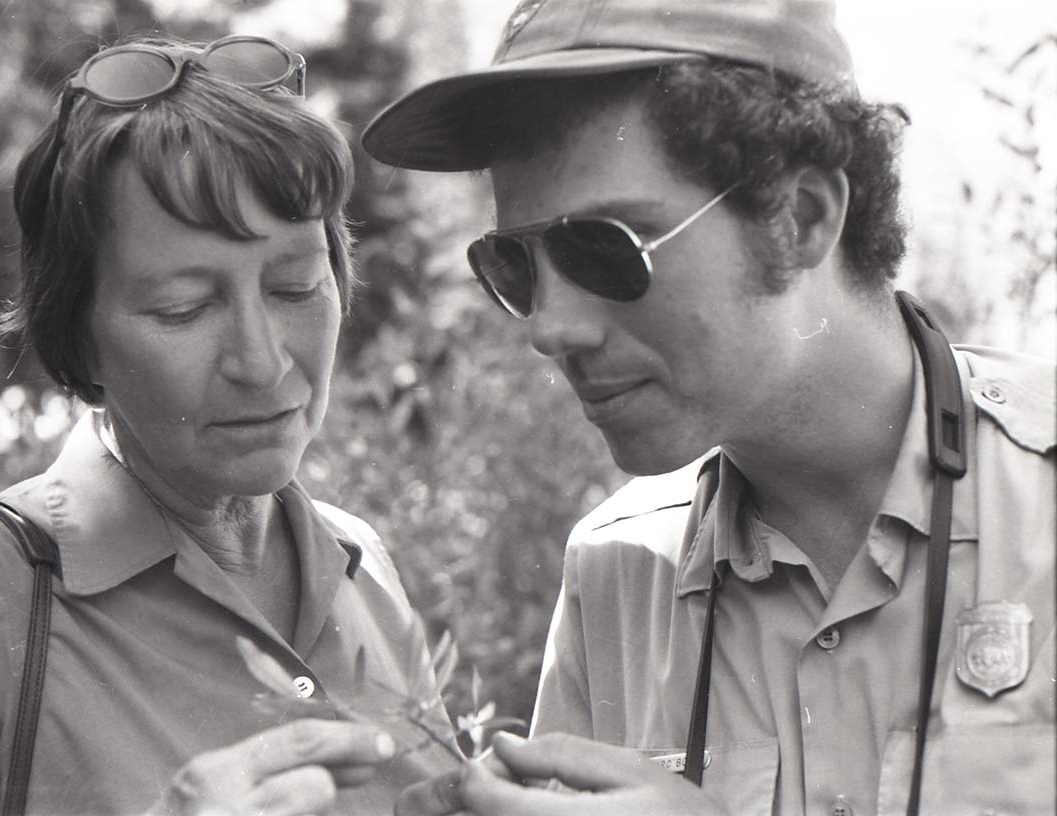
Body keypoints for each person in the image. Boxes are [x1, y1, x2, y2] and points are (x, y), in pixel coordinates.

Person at [363, 1, 1056, 814]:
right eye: (513, 265)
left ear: (801, 218)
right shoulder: (615, 570)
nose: (549, 328)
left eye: (604, 248)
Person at [0, 34, 458, 815]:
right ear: (78, 336)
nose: (262, 361)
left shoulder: (360, 565)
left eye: (296, 287)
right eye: (185, 308)